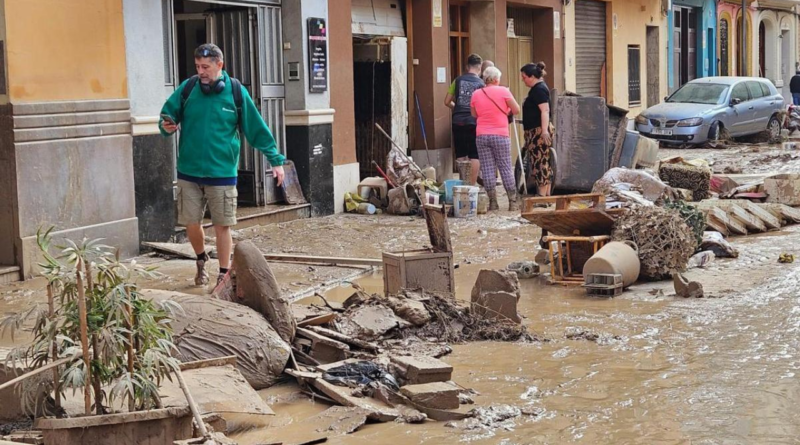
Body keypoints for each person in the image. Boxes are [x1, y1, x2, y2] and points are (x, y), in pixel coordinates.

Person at [159, 43, 285, 286]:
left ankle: (223, 274)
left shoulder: (236, 92)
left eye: (205, 67)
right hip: (189, 170)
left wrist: (275, 160)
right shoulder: (188, 88)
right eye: (197, 67)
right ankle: (200, 259)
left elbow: (256, 128)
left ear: (220, 65)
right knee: (191, 222)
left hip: (222, 172)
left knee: (222, 225)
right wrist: (166, 124)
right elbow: (167, 114)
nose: (201, 71)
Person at [470, 66, 521, 211]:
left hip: (482, 135)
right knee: (505, 167)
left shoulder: (476, 94)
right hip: (501, 135)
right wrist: (506, 110)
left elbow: (474, 114)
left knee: (487, 169)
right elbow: (516, 109)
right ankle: (512, 202)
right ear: (495, 79)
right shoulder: (504, 91)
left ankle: (493, 202)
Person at [445, 54, 485, 184]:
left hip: (458, 121)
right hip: (474, 122)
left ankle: (463, 183)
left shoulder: (457, 80)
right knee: (474, 154)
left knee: (461, 153)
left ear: (467, 66)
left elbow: (446, 101)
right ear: (480, 68)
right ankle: (472, 185)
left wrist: (456, 108)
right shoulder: (481, 83)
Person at [520, 61, 554, 197]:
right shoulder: (537, 89)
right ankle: (545, 195)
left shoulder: (539, 89)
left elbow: (545, 110)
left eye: (524, 77)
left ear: (532, 76)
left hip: (538, 131)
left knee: (540, 163)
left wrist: (544, 130)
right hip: (535, 130)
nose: (523, 81)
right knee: (541, 162)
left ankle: (542, 195)